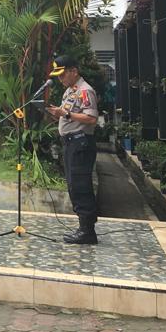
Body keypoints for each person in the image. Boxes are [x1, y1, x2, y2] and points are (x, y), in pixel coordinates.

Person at [46, 55, 100, 245]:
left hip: (81, 143)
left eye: (63, 75)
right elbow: (68, 116)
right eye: (58, 76)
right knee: (73, 185)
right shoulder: (70, 91)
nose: (60, 79)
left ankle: (87, 231)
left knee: (80, 186)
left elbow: (91, 118)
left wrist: (65, 113)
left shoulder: (85, 91)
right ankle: (83, 228)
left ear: (74, 71)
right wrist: (56, 115)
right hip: (71, 143)